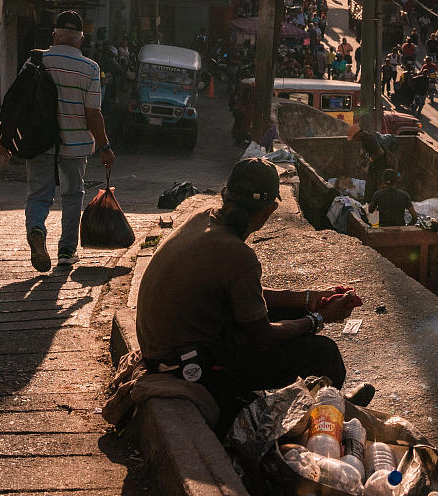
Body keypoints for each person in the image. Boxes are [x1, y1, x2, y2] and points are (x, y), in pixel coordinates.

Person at [135, 157, 367, 434]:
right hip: (188, 365)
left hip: (164, 350)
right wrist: (319, 318)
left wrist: (308, 299)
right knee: (323, 353)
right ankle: (316, 414)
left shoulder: (203, 219)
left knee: (295, 317)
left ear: (225, 195)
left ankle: (322, 399)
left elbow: (244, 295)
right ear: (270, 210)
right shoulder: (238, 255)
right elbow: (263, 336)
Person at [23, 10, 115, 273]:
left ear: (54, 35)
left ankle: (37, 229)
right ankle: (66, 251)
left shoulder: (35, 61)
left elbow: (21, 103)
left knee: (39, 194)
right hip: (75, 146)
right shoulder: (90, 68)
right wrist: (105, 146)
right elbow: (92, 113)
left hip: (39, 142)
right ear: (80, 40)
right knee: (73, 195)